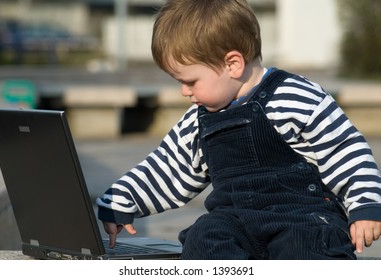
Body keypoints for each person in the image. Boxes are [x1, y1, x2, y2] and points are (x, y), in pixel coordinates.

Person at [96, 0, 381, 259]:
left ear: (232, 64)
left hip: (302, 218)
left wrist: (365, 205)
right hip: (235, 222)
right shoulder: (198, 120)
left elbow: (344, 149)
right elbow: (168, 167)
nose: (184, 91)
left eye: (191, 81)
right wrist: (122, 199)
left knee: (305, 247)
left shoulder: (294, 96)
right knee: (203, 238)